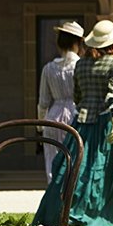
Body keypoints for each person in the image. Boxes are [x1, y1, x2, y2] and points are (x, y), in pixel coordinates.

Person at [33, 19, 113, 226]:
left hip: (83, 122)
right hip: (107, 121)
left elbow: (78, 97)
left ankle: (64, 211)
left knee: (75, 168)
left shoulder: (82, 64)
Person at [37, 21, 84, 183]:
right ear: (78, 43)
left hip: (53, 117)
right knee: (75, 159)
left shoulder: (49, 68)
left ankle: (54, 197)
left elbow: (43, 101)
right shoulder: (81, 66)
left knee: (52, 161)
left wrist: (40, 124)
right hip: (76, 116)